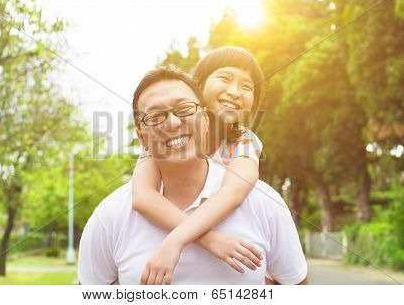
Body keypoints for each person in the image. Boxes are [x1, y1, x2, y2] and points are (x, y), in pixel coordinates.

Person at [78, 66, 308, 285]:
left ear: (206, 120)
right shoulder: (111, 215)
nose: (173, 123)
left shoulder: (262, 201)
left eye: (185, 109)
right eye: (156, 116)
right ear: (141, 137)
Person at [132, 47, 265, 284]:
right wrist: (211, 240)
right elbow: (143, 196)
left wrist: (176, 240)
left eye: (247, 87)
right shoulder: (164, 137)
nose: (235, 91)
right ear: (198, 85)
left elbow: (234, 191)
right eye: (224, 78)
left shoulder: (243, 140)